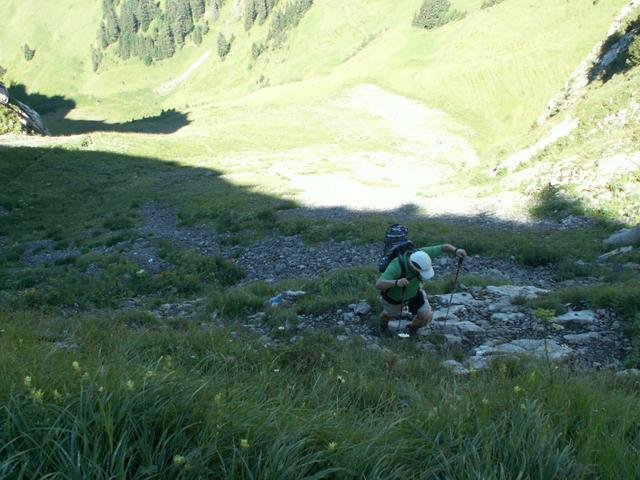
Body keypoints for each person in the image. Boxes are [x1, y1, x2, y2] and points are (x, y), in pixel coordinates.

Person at [375, 243, 467, 337]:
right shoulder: (396, 266)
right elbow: (378, 284)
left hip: (415, 292)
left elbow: (443, 247)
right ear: (412, 267)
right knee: (388, 314)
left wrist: (456, 250)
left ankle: (411, 329)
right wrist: (396, 282)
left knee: (426, 316)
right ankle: (383, 327)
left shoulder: (423, 255)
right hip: (394, 297)